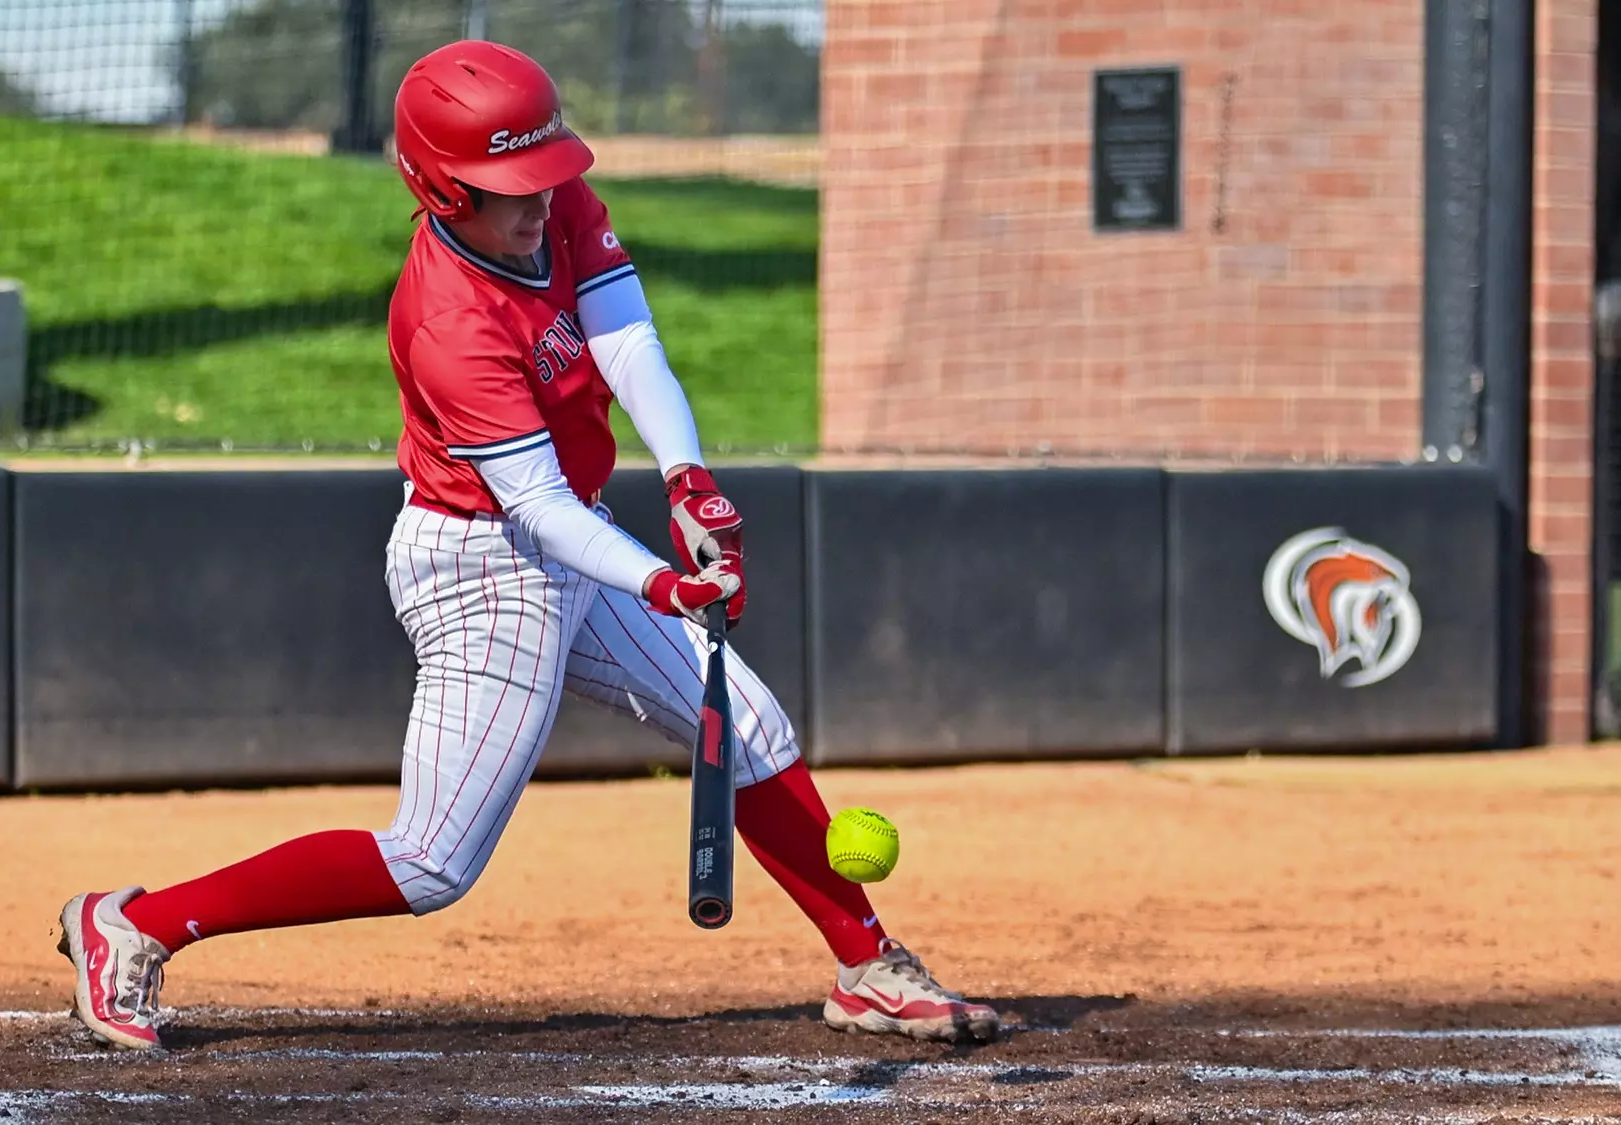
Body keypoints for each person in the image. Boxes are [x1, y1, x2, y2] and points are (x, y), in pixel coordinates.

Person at [54, 39, 998, 1051]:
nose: (539, 202)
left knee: (751, 732)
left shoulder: (553, 207)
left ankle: (865, 967)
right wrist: (660, 582)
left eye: (545, 175)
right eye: (508, 188)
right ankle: (133, 924)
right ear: (438, 188)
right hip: (483, 567)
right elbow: (538, 508)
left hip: (572, 544)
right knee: (429, 863)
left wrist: (688, 481)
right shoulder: (447, 323)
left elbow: (626, 341)